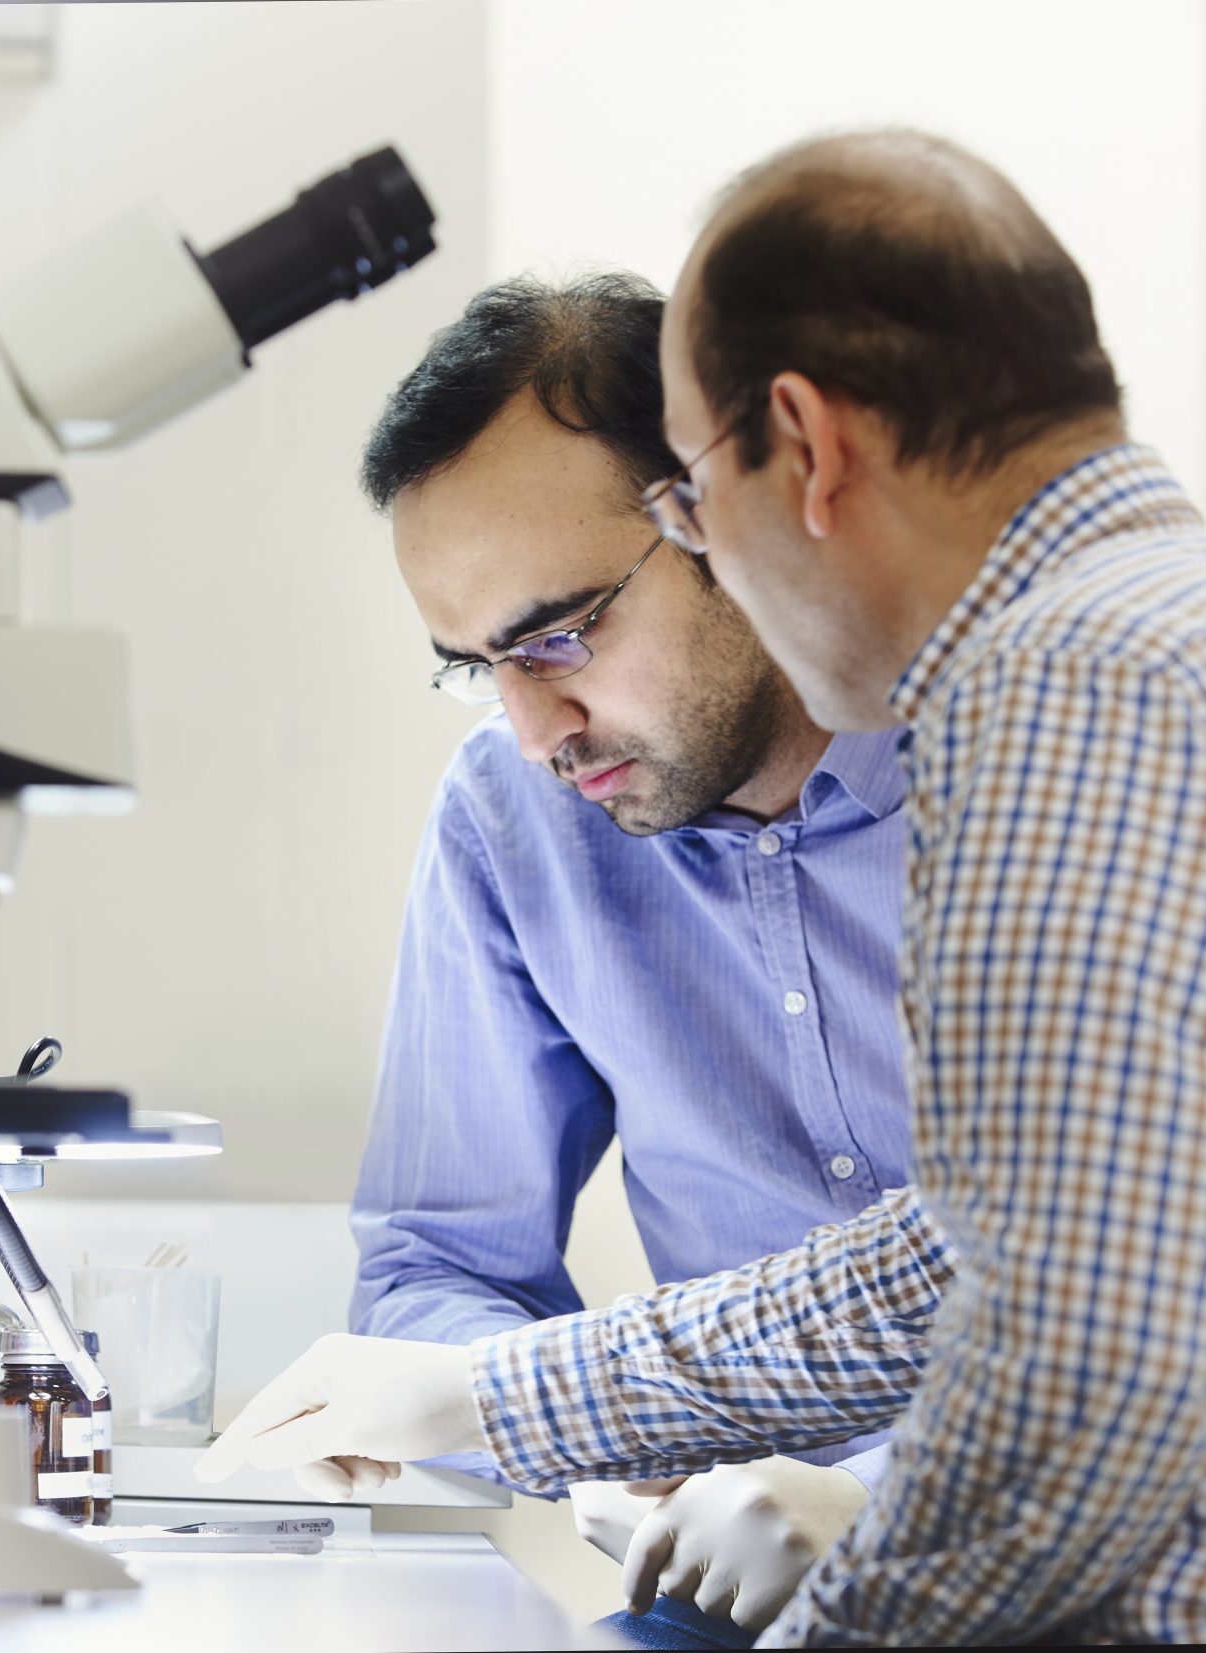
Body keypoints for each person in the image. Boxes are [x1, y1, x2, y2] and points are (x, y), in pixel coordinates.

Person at [202, 129, 1206, 1644]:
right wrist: (511, 1396)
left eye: (697, 502)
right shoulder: (1177, 641)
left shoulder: (1071, 686)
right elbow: (998, 1247)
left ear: (806, 449)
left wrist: (802, 1528)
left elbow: (1047, 1396)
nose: (531, 720)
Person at [346, 272, 916, 1646]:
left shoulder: (1050, 766)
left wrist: (892, 1506)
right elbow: (430, 1258)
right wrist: (606, 1438)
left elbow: (1102, 1291)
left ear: (730, 520)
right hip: (721, 1592)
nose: (536, 726)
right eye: (472, 662)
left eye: (558, 633)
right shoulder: (513, 814)